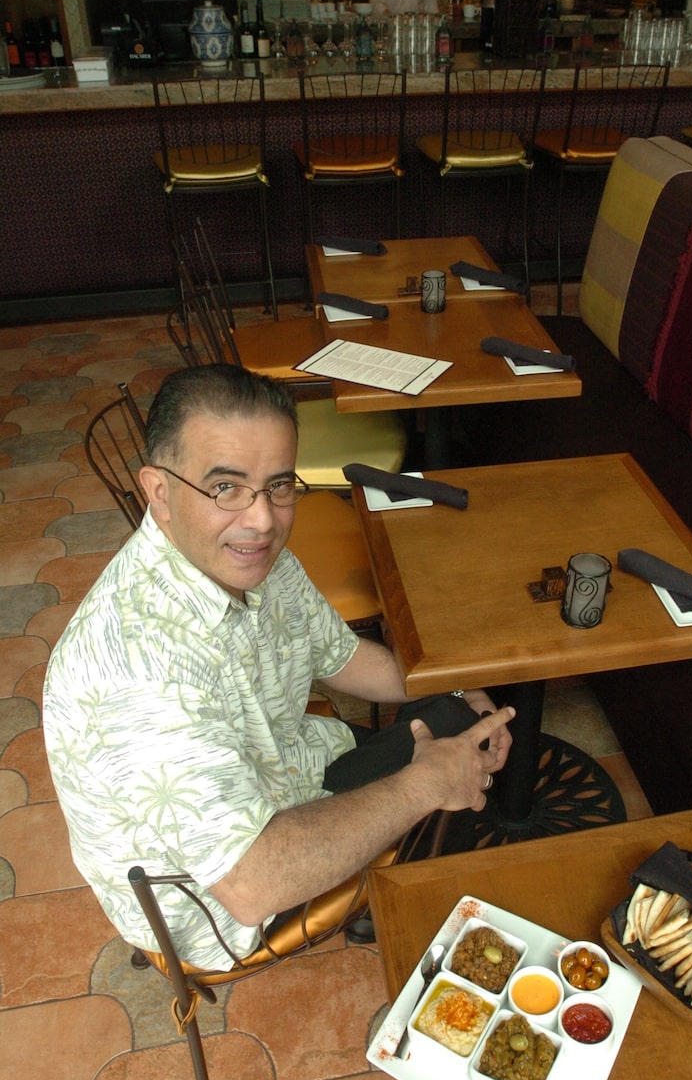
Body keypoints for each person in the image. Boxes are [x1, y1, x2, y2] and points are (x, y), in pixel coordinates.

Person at [42, 365, 513, 970]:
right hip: (219, 908)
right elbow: (251, 886)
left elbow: (343, 657)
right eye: (225, 488)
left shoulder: (251, 558)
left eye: (278, 485)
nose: (262, 520)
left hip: (288, 777)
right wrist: (427, 782)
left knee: (457, 722)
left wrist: (461, 687)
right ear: (158, 492)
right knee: (449, 772)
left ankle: (403, 869)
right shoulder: (137, 672)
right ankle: (398, 899)